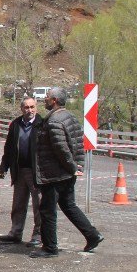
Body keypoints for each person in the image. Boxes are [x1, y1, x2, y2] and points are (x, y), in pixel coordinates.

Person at [32, 87, 104, 258]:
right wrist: (77, 167)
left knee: (47, 210)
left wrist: (72, 167)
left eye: (47, 97)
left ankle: (50, 247)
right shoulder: (70, 117)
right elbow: (79, 144)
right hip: (66, 173)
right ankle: (92, 235)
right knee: (69, 206)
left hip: (54, 174)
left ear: (55, 100)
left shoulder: (54, 121)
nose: (45, 99)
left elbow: (61, 148)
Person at [0, 97, 42, 247]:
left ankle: (38, 235)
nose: (29, 110)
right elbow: (9, 147)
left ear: (36, 107)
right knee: (18, 204)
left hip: (36, 172)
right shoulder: (15, 124)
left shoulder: (42, 124)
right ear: (21, 109)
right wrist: (4, 167)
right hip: (19, 170)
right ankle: (15, 233)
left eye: (32, 107)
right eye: (26, 107)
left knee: (38, 205)